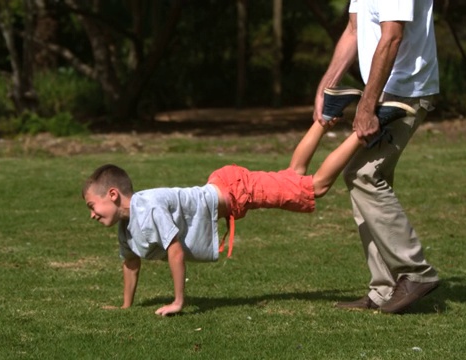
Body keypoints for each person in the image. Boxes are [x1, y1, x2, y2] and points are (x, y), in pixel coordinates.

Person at [83, 90, 413, 316]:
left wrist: (179, 301)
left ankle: (368, 125)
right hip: (228, 187)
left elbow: (176, 249)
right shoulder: (128, 227)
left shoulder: (147, 207)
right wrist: (126, 307)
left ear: (113, 195)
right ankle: (327, 114)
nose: (92, 215)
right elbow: (130, 263)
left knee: (315, 187)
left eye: (91, 206)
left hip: (238, 190)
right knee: (293, 174)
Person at [313, 0, 440, 314]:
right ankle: (384, 289)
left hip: (406, 92)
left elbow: (392, 36)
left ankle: (415, 272)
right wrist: (326, 86)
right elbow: (354, 28)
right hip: (384, 89)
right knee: (365, 177)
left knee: (363, 175)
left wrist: (367, 107)